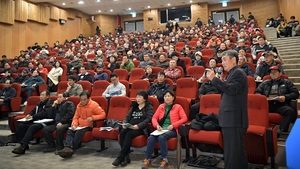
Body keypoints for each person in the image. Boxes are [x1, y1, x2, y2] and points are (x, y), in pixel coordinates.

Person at [206, 50, 248, 169]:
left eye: (224, 59)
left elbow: (231, 89)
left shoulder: (238, 73)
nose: (222, 63)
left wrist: (215, 79)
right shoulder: (231, 73)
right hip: (231, 119)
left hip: (234, 120)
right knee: (236, 153)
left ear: (233, 60)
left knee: (232, 154)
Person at [142, 90, 187, 169]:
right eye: (165, 96)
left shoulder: (178, 107)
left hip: (172, 130)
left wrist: (173, 125)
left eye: (169, 96)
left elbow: (184, 118)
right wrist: (157, 126)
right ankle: (148, 159)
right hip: (161, 129)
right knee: (151, 137)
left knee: (161, 137)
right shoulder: (161, 106)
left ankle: (165, 160)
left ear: (173, 97)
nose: (167, 98)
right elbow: (154, 118)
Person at [57, 91, 106, 158]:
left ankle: (72, 149)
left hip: (89, 125)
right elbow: (76, 117)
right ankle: (67, 147)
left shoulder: (94, 105)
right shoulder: (79, 105)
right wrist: (74, 124)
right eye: (81, 99)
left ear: (88, 99)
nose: (82, 101)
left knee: (78, 132)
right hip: (79, 125)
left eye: (84, 99)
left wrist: (93, 118)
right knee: (70, 131)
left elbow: (103, 114)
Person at [112, 90, 154, 167]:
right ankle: (125, 156)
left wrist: (138, 126)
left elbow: (148, 119)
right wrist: (125, 123)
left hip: (141, 128)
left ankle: (120, 157)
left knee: (129, 134)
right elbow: (127, 116)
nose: (137, 99)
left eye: (140, 97)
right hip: (130, 126)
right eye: (137, 97)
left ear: (145, 99)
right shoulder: (134, 106)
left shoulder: (149, 107)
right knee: (122, 132)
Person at [255, 65, 299, 136]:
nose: (273, 74)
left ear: (280, 73)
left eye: (275, 72)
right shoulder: (265, 83)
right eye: (271, 73)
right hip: (267, 104)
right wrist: (261, 97)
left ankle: (280, 131)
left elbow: (295, 93)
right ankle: (258, 131)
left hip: (280, 104)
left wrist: (285, 97)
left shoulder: (287, 82)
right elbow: (257, 92)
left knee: (289, 111)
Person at [12, 90, 54, 155]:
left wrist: (33, 117)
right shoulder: (39, 103)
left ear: (48, 96)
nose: (41, 97)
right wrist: (29, 115)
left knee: (32, 127)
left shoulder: (49, 104)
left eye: (43, 95)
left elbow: (44, 114)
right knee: (21, 125)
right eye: (40, 95)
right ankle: (24, 145)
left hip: (44, 122)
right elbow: (33, 111)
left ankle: (22, 147)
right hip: (36, 120)